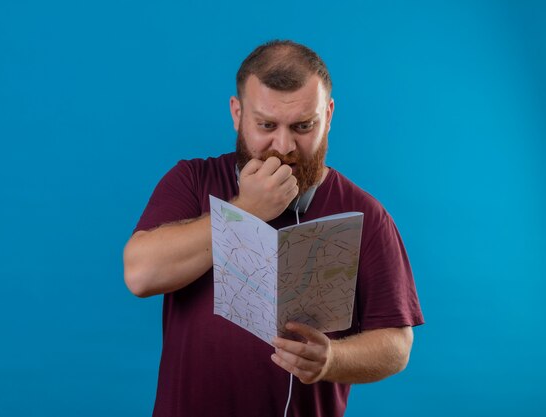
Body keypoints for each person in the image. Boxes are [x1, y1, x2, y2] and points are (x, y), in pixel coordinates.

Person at [123, 40, 424, 417]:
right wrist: (245, 210)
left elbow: (397, 343)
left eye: (303, 126)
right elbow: (140, 274)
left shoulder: (365, 214)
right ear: (237, 114)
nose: (284, 146)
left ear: (328, 115)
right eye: (266, 125)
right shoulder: (192, 180)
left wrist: (332, 359)